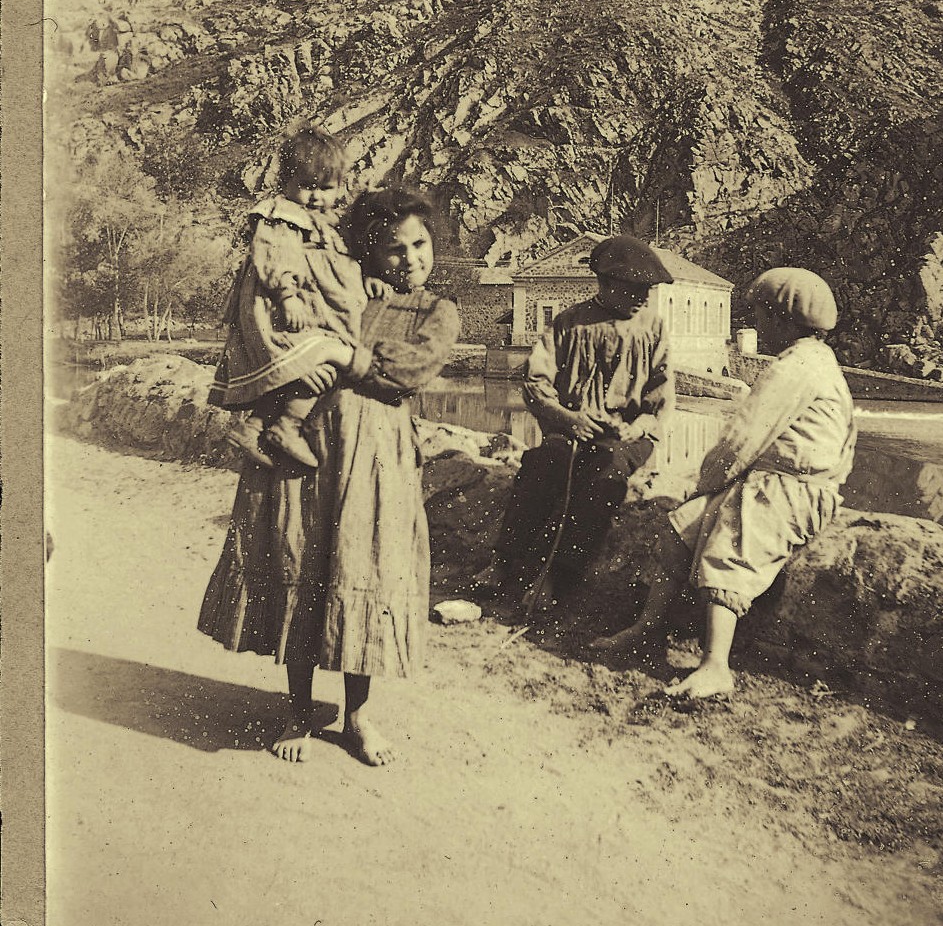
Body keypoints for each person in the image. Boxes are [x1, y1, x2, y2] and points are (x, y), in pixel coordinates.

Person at [198, 187, 460, 766]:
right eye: (394, 249)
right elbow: (279, 322)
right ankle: (297, 709)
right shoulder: (340, 288)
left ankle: (359, 716)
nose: (410, 258)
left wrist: (343, 356)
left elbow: (408, 372)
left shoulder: (436, 311)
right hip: (308, 449)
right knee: (300, 560)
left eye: (420, 245)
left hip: (377, 458)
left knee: (363, 568)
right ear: (369, 250)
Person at [593, 267, 856, 704]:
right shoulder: (814, 362)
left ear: (784, 320)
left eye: (760, 314)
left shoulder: (794, 369)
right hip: (779, 483)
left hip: (792, 490)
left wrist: (704, 484)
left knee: (728, 547)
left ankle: (716, 666)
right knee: (680, 528)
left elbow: (740, 441)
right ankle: (647, 629)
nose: (755, 324)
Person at [477, 234, 675, 613]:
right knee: (541, 466)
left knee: (604, 477)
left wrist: (641, 425)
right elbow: (535, 381)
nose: (644, 298)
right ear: (606, 284)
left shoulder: (653, 328)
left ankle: (557, 577)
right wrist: (565, 418)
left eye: (648, 290)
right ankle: (503, 562)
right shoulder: (569, 323)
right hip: (572, 427)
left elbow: (661, 397)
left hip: (625, 435)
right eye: (635, 289)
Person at [208, 125, 389, 470]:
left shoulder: (328, 223)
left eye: (326, 188)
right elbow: (276, 257)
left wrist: (368, 279)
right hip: (279, 307)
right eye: (306, 187)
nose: (316, 196)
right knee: (319, 360)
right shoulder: (283, 217)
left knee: (321, 362)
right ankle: (287, 426)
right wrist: (287, 294)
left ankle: (256, 426)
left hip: (306, 307)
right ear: (286, 183)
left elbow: (344, 261)